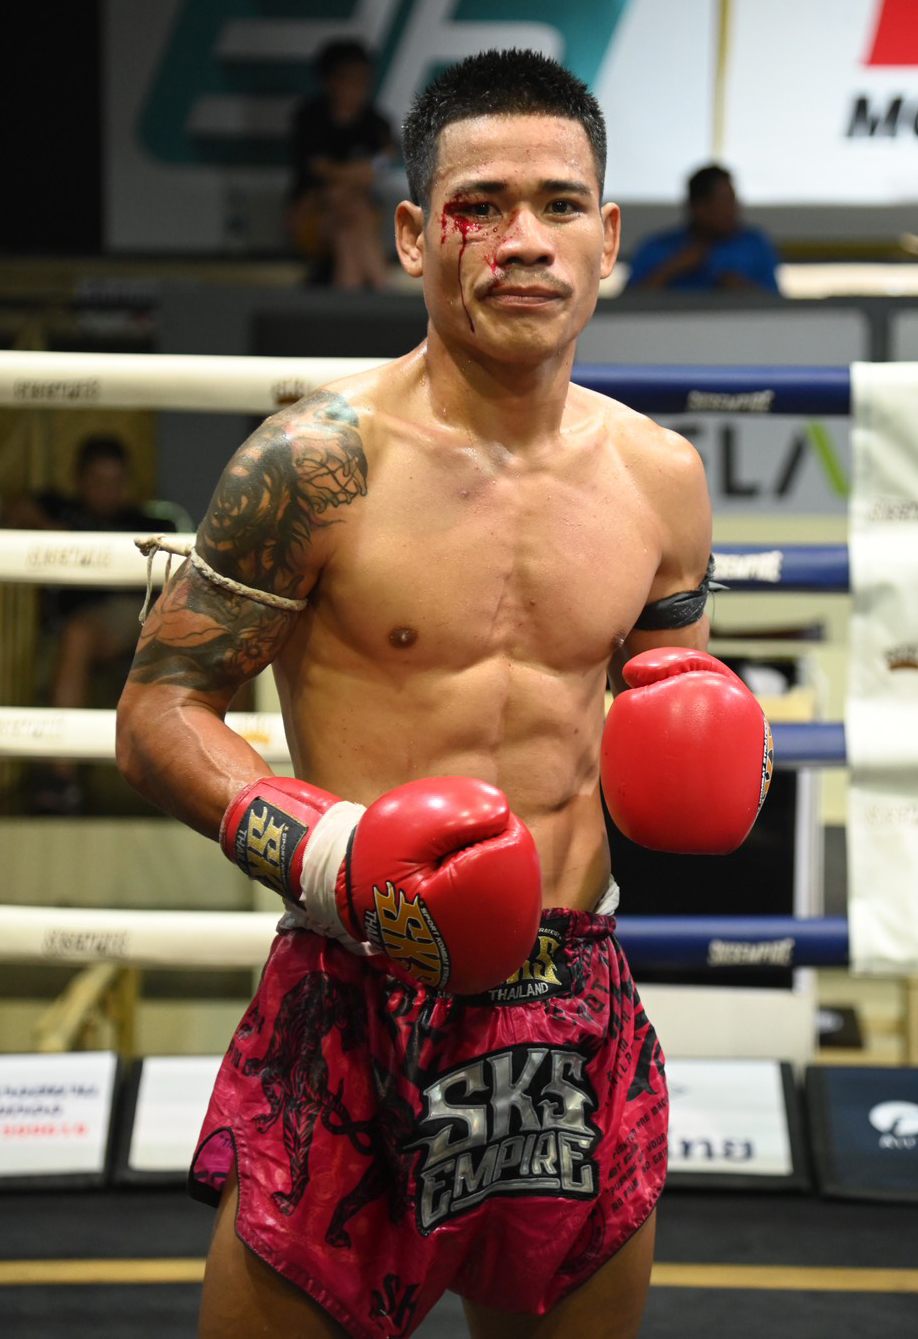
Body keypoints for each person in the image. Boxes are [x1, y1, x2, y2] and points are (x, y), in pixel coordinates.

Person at [116, 49, 769, 1339]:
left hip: (570, 996)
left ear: (608, 237)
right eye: (481, 205)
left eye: (558, 204)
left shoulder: (662, 479)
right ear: (415, 235)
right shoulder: (314, 464)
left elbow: (668, 697)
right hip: (360, 986)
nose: (523, 240)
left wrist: (709, 740)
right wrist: (333, 852)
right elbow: (157, 712)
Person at [2, 434, 176, 814]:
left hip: (134, 617)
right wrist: (54, 534)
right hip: (74, 625)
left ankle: (204, 777)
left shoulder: (147, 521)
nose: (108, 491)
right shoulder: (60, 508)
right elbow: (15, 511)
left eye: (116, 482)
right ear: (79, 480)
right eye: (98, 481)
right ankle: (62, 780)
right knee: (77, 633)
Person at [286, 39, 397, 290]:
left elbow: (381, 164)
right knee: (350, 209)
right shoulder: (310, 118)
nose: (359, 87)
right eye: (351, 79)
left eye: (364, 79)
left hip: (355, 214)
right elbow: (321, 167)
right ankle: (383, 292)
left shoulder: (376, 123)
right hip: (313, 215)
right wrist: (356, 175)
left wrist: (340, 183)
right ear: (330, 81)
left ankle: (353, 303)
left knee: (348, 232)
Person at [625, 163, 781, 293]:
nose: (734, 209)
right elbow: (627, 307)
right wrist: (671, 269)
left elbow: (776, 306)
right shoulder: (657, 249)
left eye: (733, 201)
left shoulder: (754, 245)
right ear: (699, 207)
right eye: (725, 202)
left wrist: (739, 288)